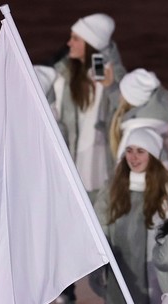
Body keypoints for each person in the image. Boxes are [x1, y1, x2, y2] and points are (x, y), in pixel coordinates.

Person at [93, 127, 168, 304]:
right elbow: (99, 224)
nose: (133, 157)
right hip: (128, 272)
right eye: (129, 151)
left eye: (140, 151)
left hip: (158, 276)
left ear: (153, 154)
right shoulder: (115, 186)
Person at [56, 13, 124, 194]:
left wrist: (110, 88)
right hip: (72, 161)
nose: (69, 43)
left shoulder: (111, 74)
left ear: (90, 44)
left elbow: (125, 111)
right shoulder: (63, 74)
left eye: (75, 38)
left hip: (100, 168)